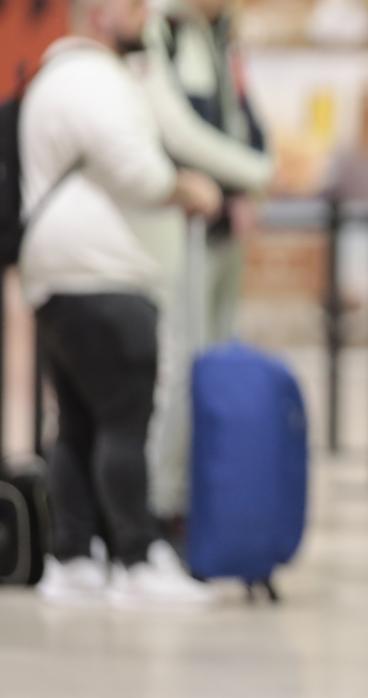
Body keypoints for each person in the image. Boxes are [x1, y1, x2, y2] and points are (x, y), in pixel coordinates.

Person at [20, 0, 222, 606]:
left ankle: (75, 555)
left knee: (78, 425)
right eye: (133, 5)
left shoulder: (55, 77)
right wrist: (186, 187)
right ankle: (135, 558)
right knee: (123, 423)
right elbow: (137, 170)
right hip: (103, 272)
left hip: (60, 275)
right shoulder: (92, 79)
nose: (147, 16)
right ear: (101, 14)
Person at [129, 0, 274, 523]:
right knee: (179, 368)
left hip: (221, 229)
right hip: (178, 228)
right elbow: (177, 131)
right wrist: (255, 172)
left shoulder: (220, 34)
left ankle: (196, 505)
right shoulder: (158, 29)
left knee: (213, 363)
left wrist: (248, 182)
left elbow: (239, 114)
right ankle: (161, 507)